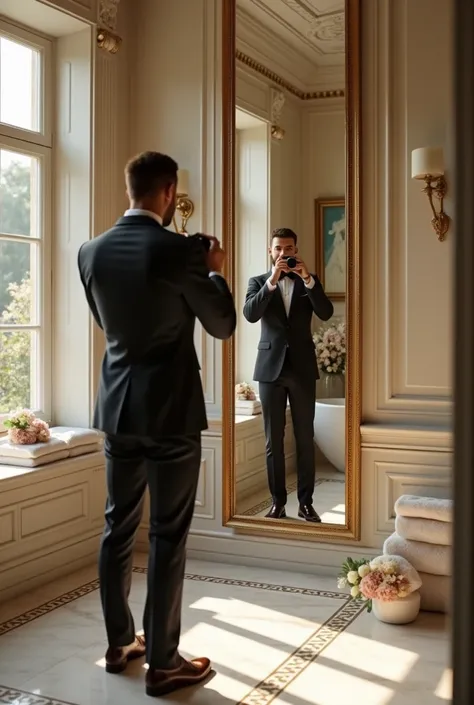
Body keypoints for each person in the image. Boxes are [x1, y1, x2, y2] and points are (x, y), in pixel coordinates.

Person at [77, 151, 236, 698]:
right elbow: (221, 325)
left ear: (131, 190)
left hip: (117, 409)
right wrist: (215, 272)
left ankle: (120, 643)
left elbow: (107, 323)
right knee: (167, 535)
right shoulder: (182, 252)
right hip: (170, 414)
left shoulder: (90, 252)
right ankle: (164, 663)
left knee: (117, 526)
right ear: (169, 192)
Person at [243, 228, 333, 522]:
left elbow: (326, 311)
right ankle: (277, 502)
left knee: (305, 437)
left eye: (289, 248)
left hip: (302, 368)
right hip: (270, 369)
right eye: (279, 248)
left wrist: (308, 279)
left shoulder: (308, 281)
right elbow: (250, 314)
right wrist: (271, 282)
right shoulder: (258, 282)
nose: (284, 253)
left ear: (296, 249)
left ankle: (306, 503)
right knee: (274, 440)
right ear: (271, 251)